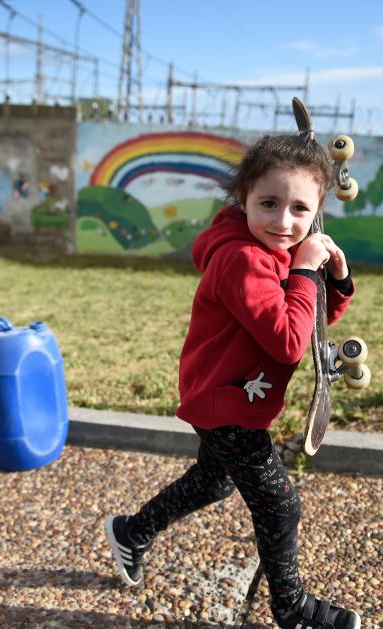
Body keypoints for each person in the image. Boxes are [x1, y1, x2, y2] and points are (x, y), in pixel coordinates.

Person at [104, 130, 361, 629]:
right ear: (242, 198)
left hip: (230, 395)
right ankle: (292, 608)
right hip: (226, 404)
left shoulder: (278, 247)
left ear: (317, 212)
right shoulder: (242, 259)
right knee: (280, 507)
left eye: (299, 210)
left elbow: (314, 318)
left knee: (214, 481)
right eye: (268, 203)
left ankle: (132, 532)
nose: (283, 221)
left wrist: (337, 277)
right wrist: (307, 272)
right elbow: (289, 341)